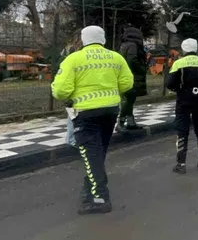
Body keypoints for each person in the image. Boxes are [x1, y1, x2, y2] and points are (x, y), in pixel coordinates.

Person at [51, 25, 133, 215]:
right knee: (98, 152)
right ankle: (89, 190)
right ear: (103, 39)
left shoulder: (74, 59)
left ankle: (100, 199)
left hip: (85, 113)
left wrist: (70, 94)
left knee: (92, 154)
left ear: (83, 39)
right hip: (111, 110)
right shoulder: (116, 57)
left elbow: (61, 90)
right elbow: (127, 83)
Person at [166, 38, 198, 174]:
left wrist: (180, 90)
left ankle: (181, 164)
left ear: (184, 49)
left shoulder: (178, 63)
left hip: (183, 102)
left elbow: (170, 84)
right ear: (196, 48)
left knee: (182, 132)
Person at [117, 26, 148, 131]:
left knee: (130, 99)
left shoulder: (124, 45)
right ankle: (121, 122)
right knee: (129, 99)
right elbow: (132, 60)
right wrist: (142, 69)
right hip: (133, 76)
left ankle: (130, 122)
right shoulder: (133, 45)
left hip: (125, 75)